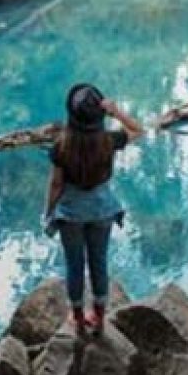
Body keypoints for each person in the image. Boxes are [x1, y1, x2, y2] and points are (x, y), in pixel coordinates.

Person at [42, 83, 144, 336]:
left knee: (74, 264)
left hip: (71, 215)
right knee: (99, 262)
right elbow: (138, 130)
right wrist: (116, 111)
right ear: (99, 116)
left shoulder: (61, 146)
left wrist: (48, 212)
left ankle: (77, 318)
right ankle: (98, 316)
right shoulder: (109, 140)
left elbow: (56, 184)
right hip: (101, 211)